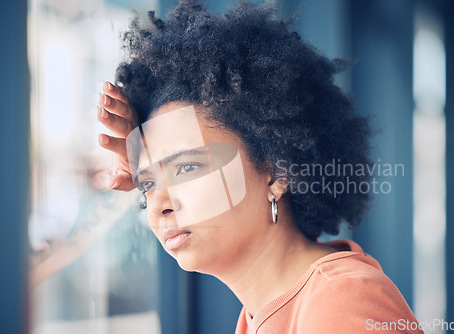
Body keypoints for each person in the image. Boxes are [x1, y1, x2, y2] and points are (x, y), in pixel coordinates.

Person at [97, 0, 423, 332]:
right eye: (148, 184)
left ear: (277, 173)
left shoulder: (340, 301)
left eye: (187, 168)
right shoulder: (264, 314)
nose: (158, 207)